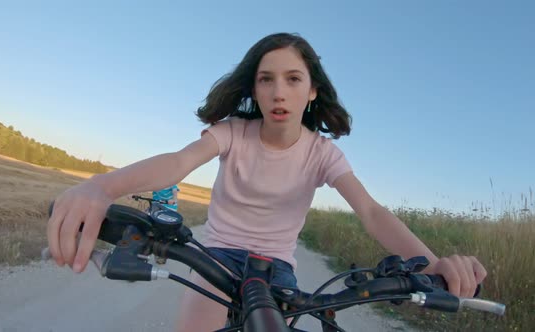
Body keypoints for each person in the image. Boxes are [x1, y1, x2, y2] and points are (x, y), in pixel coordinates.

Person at [47, 33, 487, 331]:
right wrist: (100, 187)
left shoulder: (322, 152)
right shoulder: (234, 131)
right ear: (254, 90)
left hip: (278, 267)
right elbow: (179, 162)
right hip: (215, 256)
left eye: (293, 79)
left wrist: (429, 265)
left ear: (311, 90)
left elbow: (370, 211)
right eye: (266, 80)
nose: (279, 92)